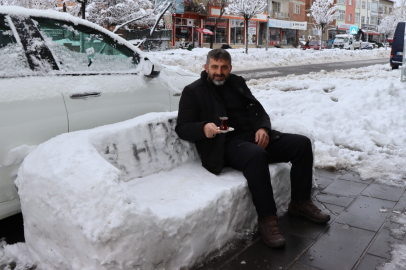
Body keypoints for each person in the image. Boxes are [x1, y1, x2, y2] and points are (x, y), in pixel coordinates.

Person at [175, 49, 330, 248]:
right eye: (214, 67)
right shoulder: (193, 91)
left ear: (230, 68)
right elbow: (182, 127)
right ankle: (267, 218)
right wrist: (204, 127)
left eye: (224, 67)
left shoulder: (236, 83)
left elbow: (257, 110)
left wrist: (263, 128)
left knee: (301, 144)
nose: (219, 72)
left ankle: (300, 203)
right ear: (206, 68)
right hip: (224, 144)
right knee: (257, 156)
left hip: (252, 137)